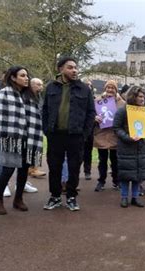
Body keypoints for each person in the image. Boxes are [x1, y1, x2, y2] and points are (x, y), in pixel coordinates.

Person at [42, 56, 96, 211]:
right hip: (55, 135)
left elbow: (91, 113)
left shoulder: (84, 89)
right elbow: (44, 110)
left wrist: (84, 134)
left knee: (73, 168)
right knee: (54, 167)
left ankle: (71, 197)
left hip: (76, 136)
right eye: (70, 67)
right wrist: (47, 130)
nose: (74, 70)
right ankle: (55, 196)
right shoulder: (51, 87)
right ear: (61, 69)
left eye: (75, 67)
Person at [0, 66, 43, 215]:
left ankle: (18, 199)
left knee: (23, 171)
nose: (26, 78)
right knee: (7, 170)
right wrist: (6, 129)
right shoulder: (0, 95)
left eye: (27, 75)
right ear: (13, 78)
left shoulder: (32, 97)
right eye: (22, 75)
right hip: (11, 139)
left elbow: (38, 117)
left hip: (29, 140)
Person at [113, 86, 145, 208]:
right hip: (126, 147)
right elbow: (116, 128)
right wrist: (128, 138)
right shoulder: (122, 110)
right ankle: (124, 197)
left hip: (141, 147)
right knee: (126, 174)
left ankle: (135, 197)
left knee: (137, 174)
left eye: (143, 96)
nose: (142, 99)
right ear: (133, 97)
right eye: (140, 96)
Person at [94, 80, 125, 192]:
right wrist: (95, 118)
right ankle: (101, 181)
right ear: (105, 89)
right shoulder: (98, 101)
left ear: (116, 90)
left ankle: (116, 181)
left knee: (115, 160)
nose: (110, 90)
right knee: (102, 160)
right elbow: (91, 114)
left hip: (115, 136)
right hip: (101, 134)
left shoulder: (122, 103)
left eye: (112, 88)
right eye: (108, 87)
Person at [27, 78, 46, 179]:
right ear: (31, 85)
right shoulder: (26, 96)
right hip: (28, 127)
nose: (41, 87)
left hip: (38, 127)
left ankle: (34, 168)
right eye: (38, 85)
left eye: (42, 85)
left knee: (37, 148)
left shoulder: (39, 97)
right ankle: (30, 168)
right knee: (29, 148)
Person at [82, 79, 95, 180]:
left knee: (88, 152)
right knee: (77, 152)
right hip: (79, 129)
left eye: (90, 85)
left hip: (90, 129)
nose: (89, 87)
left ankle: (87, 171)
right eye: (86, 85)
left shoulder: (95, 100)